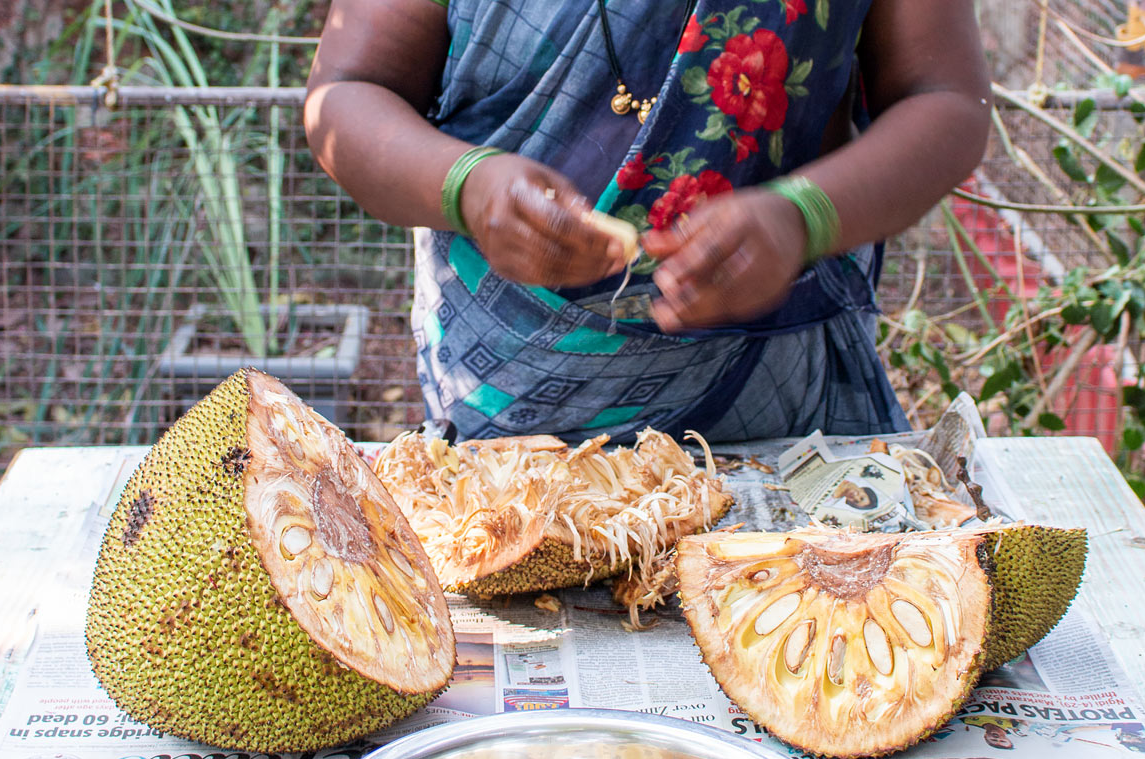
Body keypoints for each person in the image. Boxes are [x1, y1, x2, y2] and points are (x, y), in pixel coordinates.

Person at [304, 0, 990, 443]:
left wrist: (803, 214)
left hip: (781, 411)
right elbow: (347, 94)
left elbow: (946, 100)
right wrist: (468, 186)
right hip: (506, 414)